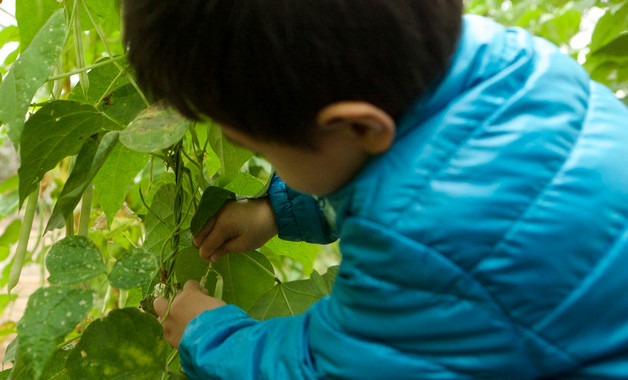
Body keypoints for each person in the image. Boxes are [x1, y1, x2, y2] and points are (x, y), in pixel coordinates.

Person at [123, 0, 628, 378]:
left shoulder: (426, 243)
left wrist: (208, 334)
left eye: (262, 149)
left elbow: (325, 370)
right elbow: (409, 160)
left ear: (357, 126)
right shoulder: (508, 61)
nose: (265, 162)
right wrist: (277, 212)